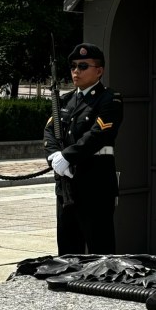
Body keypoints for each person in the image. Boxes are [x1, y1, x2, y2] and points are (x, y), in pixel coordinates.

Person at [44, 42, 123, 254]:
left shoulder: (110, 99)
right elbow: (50, 131)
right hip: (67, 184)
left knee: (100, 250)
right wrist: (54, 157)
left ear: (99, 71)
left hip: (95, 184)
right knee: (68, 249)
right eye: (73, 66)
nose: (76, 71)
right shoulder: (65, 101)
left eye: (83, 66)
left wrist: (68, 157)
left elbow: (99, 134)